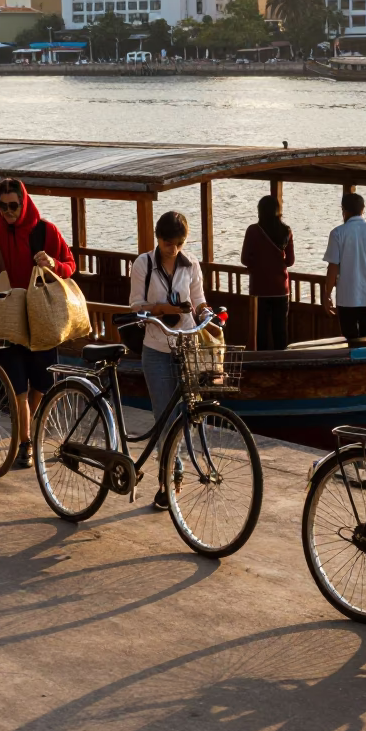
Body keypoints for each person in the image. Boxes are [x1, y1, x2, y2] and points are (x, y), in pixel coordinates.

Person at [0, 178, 76, 469]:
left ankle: (27, 432)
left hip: (41, 319)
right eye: (2, 206)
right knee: (16, 386)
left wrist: (54, 265)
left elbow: (70, 266)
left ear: (24, 202)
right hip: (8, 321)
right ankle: (25, 442)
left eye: (13, 206)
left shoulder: (46, 231)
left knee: (41, 385)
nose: (8, 211)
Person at [128, 210, 212, 510]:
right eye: (167, 242)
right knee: (165, 418)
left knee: (187, 414)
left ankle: (174, 468)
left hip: (186, 346)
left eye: (178, 243)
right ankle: (168, 479)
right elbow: (136, 306)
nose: (173, 249)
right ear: (158, 238)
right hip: (156, 349)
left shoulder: (191, 264)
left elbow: (199, 298)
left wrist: (205, 313)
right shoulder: (143, 264)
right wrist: (162, 310)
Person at [323, 192, 366, 343]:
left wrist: (327, 294)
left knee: (350, 340)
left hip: (347, 298)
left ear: (344, 210)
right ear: (363, 209)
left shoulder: (337, 233)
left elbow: (333, 267)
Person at [241, 194, 295, 350]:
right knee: (280, 331)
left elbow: (245, 259)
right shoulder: (286, 231)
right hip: (281, 289)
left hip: (259, 288)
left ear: (260, 211)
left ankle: (261, 362)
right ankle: (281, 363)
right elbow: (290, 261)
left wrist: (258, 264)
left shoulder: (253, 230)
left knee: (260, 330)